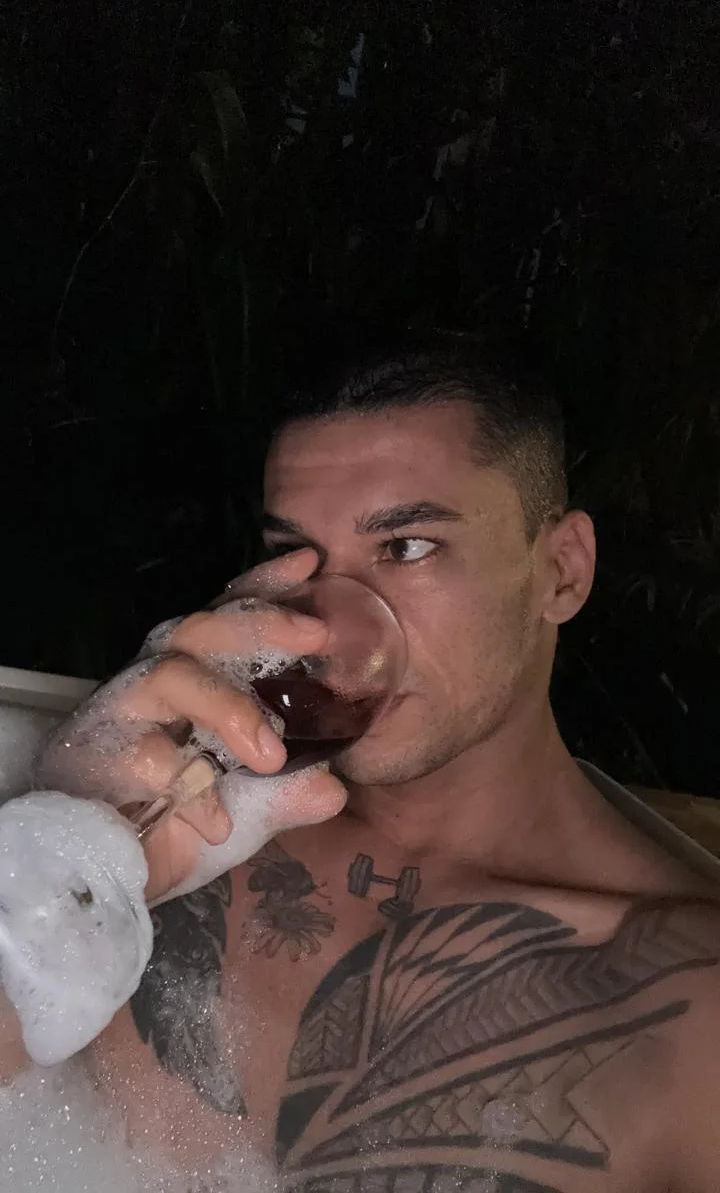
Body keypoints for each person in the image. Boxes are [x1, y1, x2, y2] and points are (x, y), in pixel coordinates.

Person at [8, 325, 720, 1192]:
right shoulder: (157, 828)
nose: (333, 629)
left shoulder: (687, 1012)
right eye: (295, 557)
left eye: (408, 547)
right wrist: (58, 875)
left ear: (562, 572)